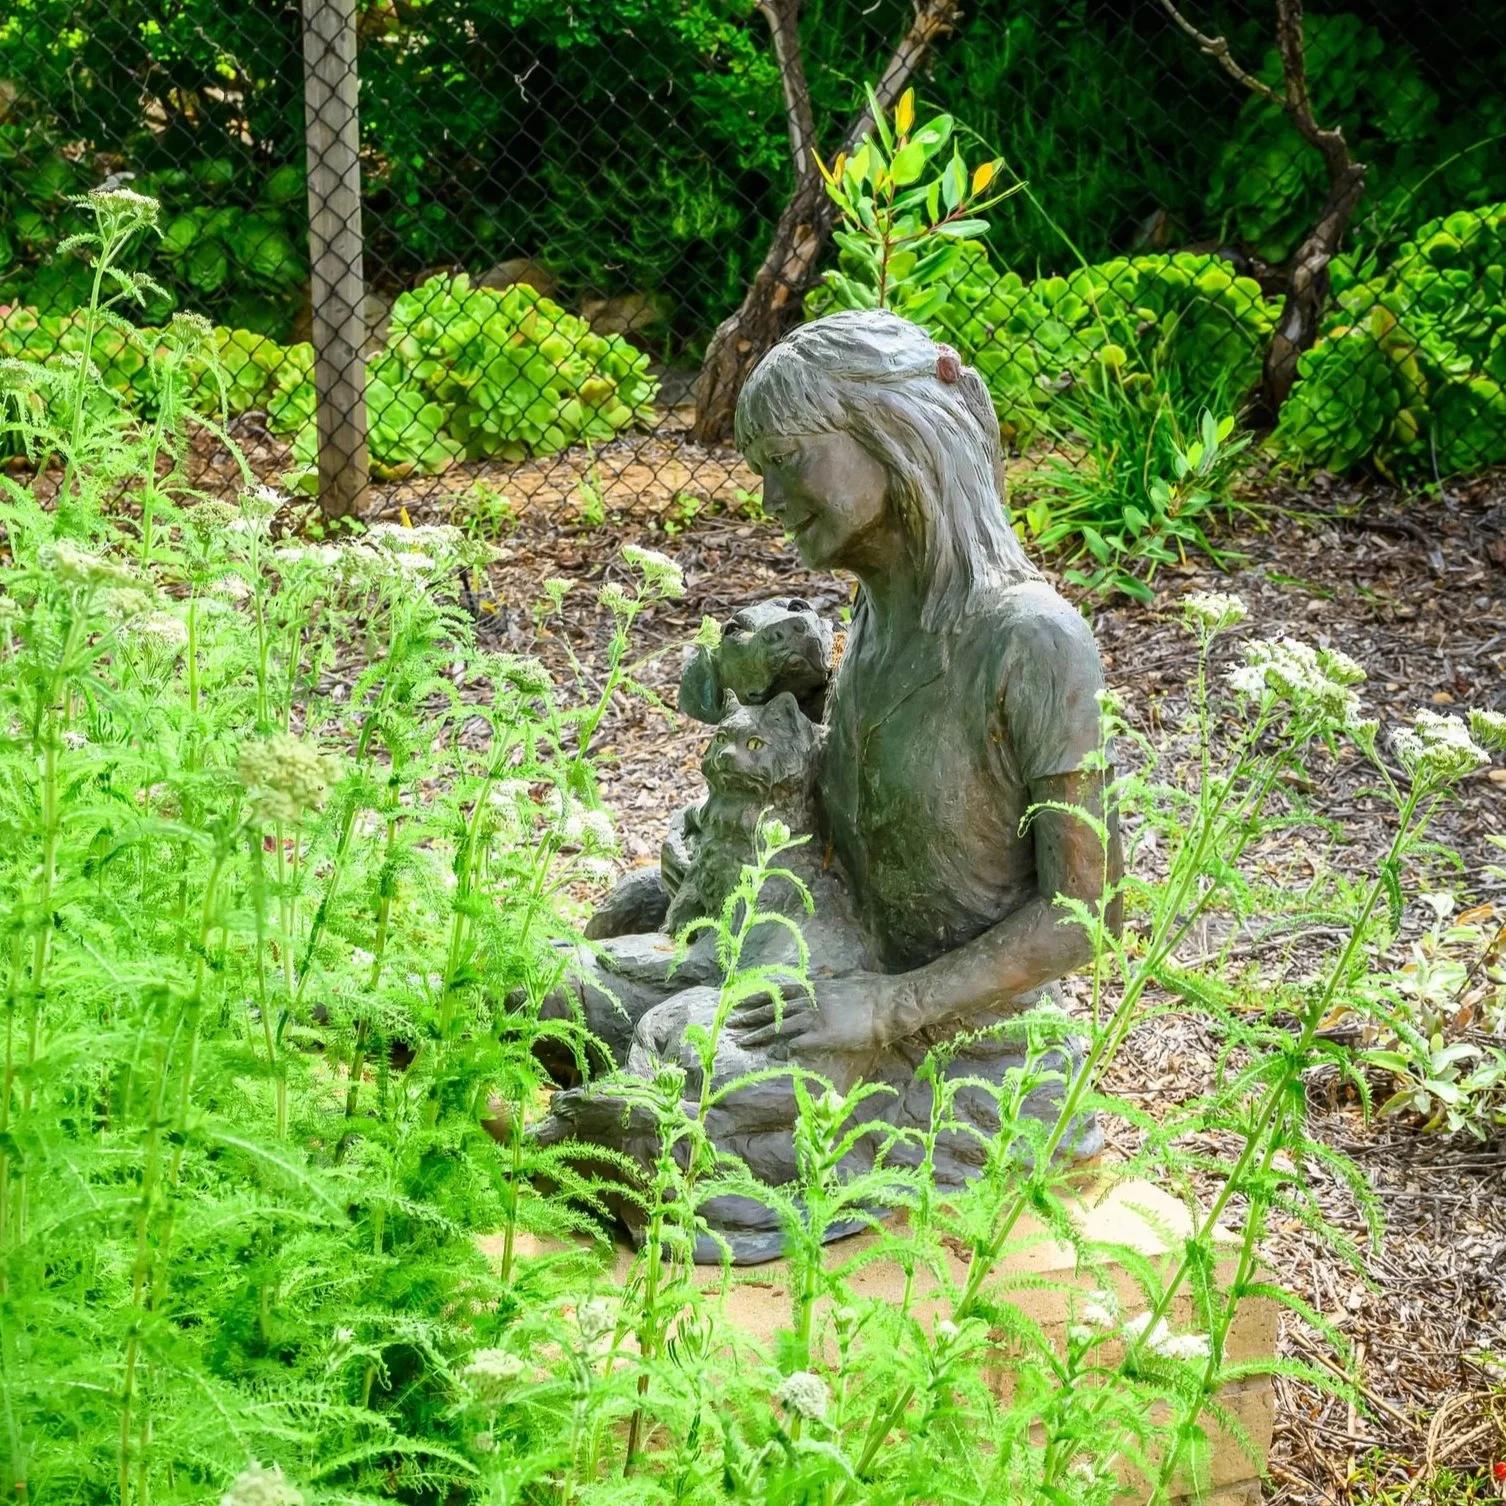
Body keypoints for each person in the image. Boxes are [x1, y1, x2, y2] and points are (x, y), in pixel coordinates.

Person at [541, 310, 1121, 1260]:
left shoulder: (1031, 638)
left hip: (961, 1042)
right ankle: (604, 1131)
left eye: (790, 458)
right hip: (829, 966)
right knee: (558, 988)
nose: (769, 495)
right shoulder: (877, 613)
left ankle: (617, 1144)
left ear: (893, 436)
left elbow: (1085, 915)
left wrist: (887, 1009)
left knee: (690, 1066)